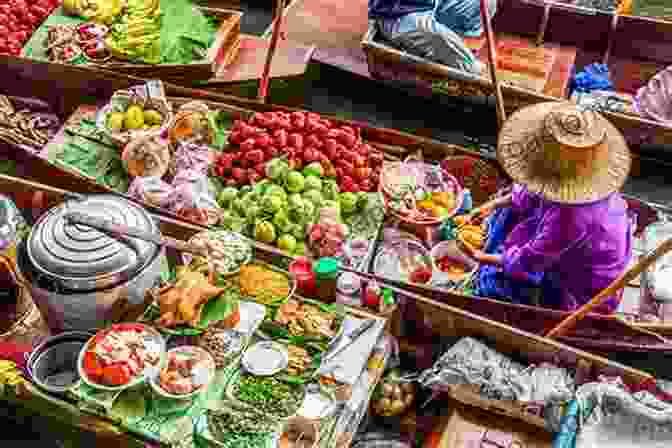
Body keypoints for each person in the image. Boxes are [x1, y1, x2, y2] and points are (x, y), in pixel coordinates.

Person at [459, 102, 633, 314]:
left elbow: (529, 262)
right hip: (565, 238)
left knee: (491, 286)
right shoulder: (573, 180)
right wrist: (492, 205)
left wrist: (479, 257)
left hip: (582, 286)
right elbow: (527, 193)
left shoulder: (571, 215)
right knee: (507, 212)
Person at [368, 0, 497, 73]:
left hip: (432, 5)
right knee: (440, 39)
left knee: (487, 3)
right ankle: (467, 66)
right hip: (398, 14)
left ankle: (445, 44)